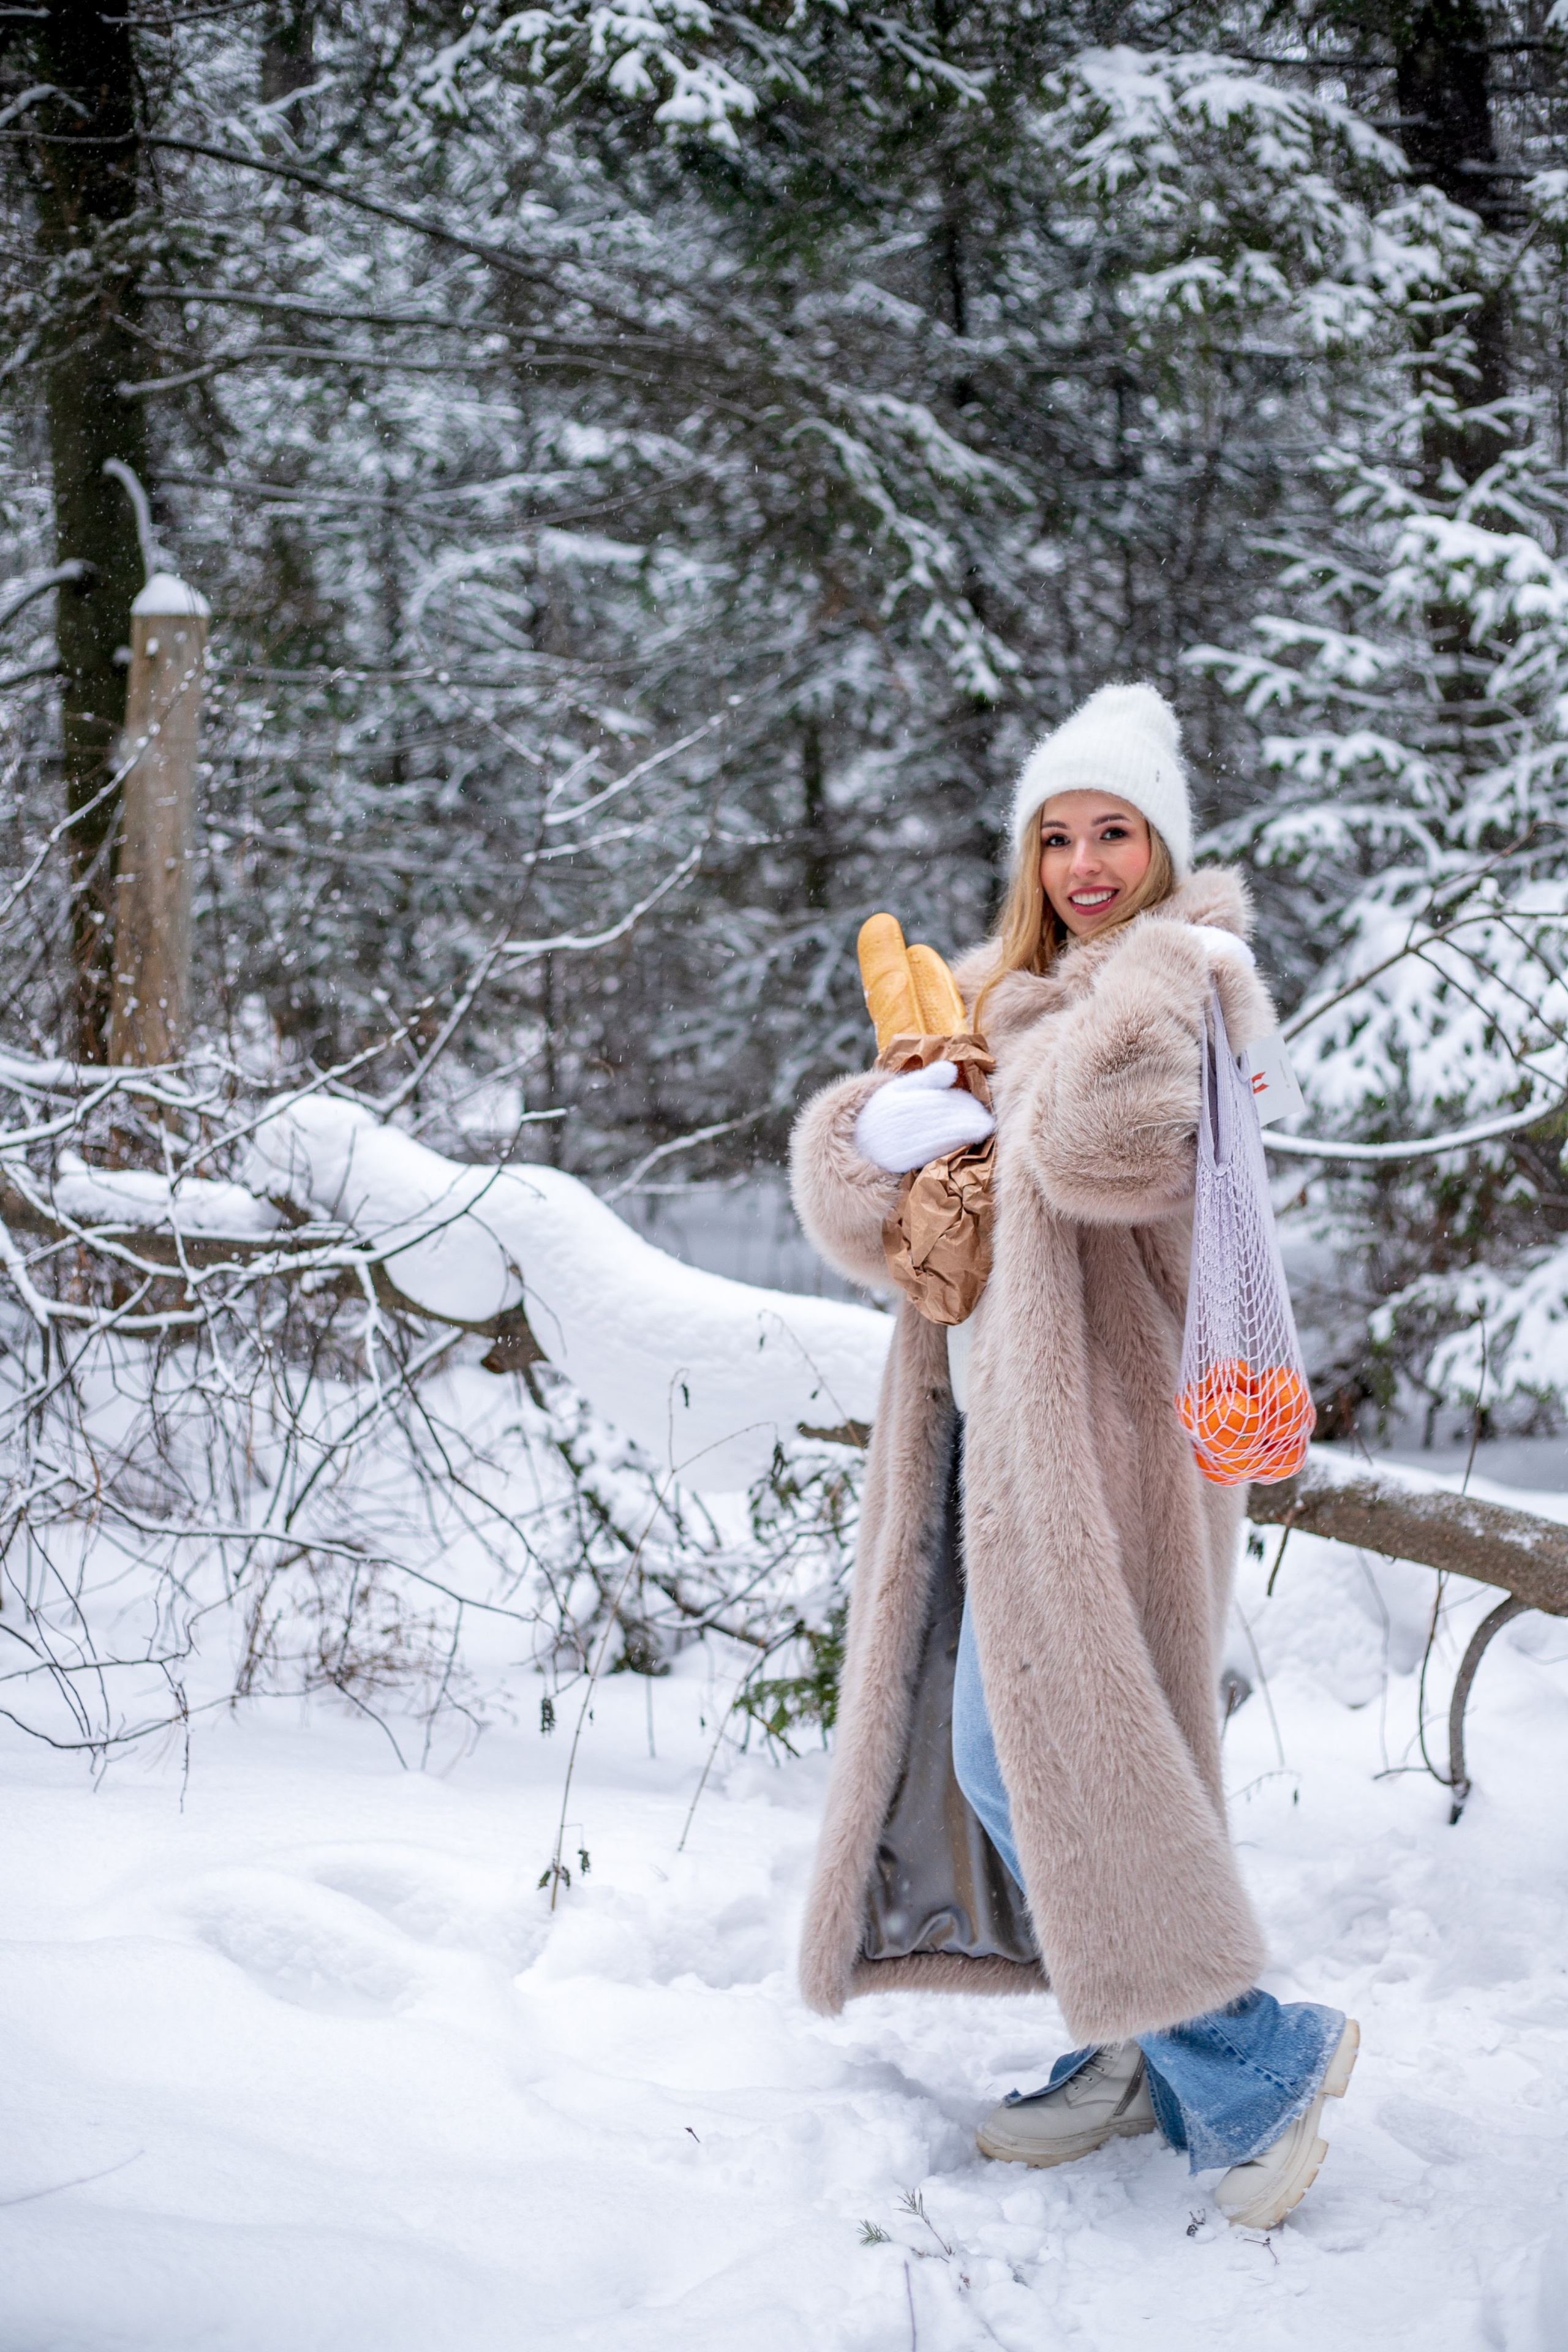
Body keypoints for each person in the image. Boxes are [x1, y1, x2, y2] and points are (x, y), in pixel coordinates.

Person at [789, 683, 1356, 2231]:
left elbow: (1100, 1159)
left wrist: (1158, 974)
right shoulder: (986, 999)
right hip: (982, 1446)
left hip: (1105, 1447)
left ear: (1164, 851)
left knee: (1028, 1754)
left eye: (1115, 834)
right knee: (1072, 1751)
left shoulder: (1193, 992)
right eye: (1058, 836)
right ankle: (1127, 2051)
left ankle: (1252, 2056)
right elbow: (874, 1225)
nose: (1084, 864)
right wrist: (875, 1129)